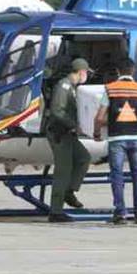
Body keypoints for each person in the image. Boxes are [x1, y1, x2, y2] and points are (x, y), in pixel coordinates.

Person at [94, 58, 137, 225]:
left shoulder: (110, 89)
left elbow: (99, 117)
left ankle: (120, 213)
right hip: (136, 138)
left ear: (118, 72)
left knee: (117, 175)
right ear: (133, 72)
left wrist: (96, 133)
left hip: (116, 138)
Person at [45, 58, 92, 223]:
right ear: (81, 72)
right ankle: (56, 211)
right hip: (59, 133)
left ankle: (69, 191)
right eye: (86, 73)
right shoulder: (64, 86)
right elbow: (57, 111)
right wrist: (74, 125)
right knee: (63, 171)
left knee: (83, 158)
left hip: (68, 133)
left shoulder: (72, 88)